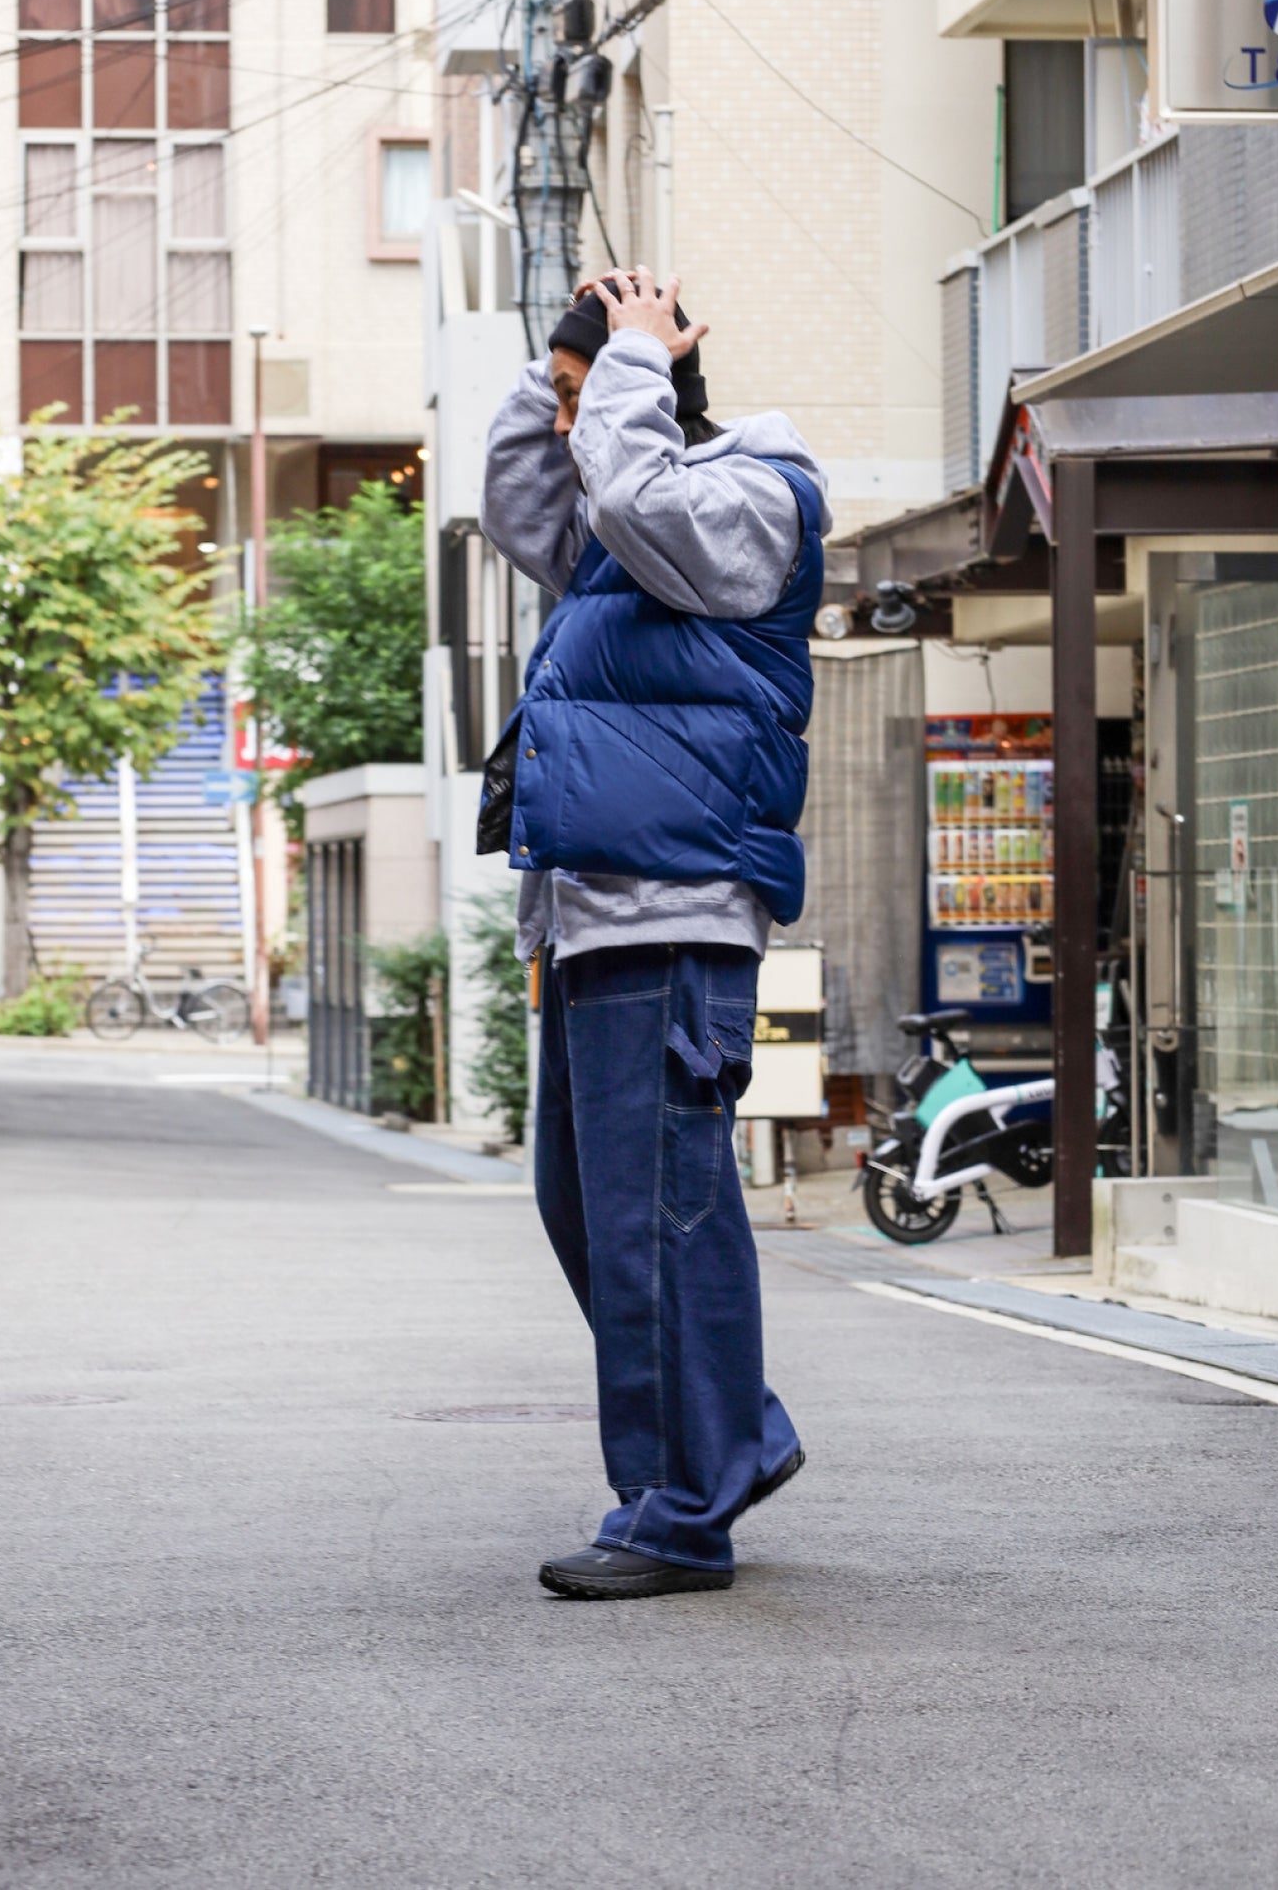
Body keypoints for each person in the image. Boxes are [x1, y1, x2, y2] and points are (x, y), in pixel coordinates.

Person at [480, 267, 829, 1600]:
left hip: (674, 912)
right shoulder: (619, 532)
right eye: (570, 402)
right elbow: (522, 497)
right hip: (591, 918)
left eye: (591, 402)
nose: (572, 431)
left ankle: (681, 1509)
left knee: (659, 1225)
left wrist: (626, 360)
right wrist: (562, 358)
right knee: (585, 1207)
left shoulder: (748, 498)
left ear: (659, 389)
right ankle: (735, 1435)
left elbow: (630, 489)